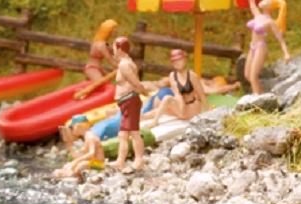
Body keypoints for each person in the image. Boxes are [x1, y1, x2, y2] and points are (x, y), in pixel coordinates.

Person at [146, 49, 208, 127]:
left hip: (192, 108)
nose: (177, 63)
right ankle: (152, 121)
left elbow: (202, 95)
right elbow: (177, 94)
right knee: (166, 100)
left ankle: (148, 118)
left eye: (179, 60)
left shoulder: (191, 75)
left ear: (184, 61)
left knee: (166, 106)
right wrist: (181, 108)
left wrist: (208, 112)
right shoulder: (173, 76)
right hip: (182, 107)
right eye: (175, 62)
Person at [112, 37, 146, 175]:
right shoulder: (124, 63)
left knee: (133, 132)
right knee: (123, 133)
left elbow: (135, 82)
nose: (113, 50)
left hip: (130, 101)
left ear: (119, 49)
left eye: (114, 47)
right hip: (126, 102)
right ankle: (121, 160)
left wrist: (143, 91)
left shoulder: (124, 65)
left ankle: (139, 160)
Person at [244, 0, 290, 95]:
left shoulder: (270, 22)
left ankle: (256, 101)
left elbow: (280, 39)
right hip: (252, 46)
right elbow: (251, 3)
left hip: (260, 48)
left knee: (253, 77)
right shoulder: (258, 15)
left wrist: (286, 53)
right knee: (247, 75)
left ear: (270, 6)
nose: (262, 1)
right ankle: (261, 94)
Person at [55, 115, 104, 180]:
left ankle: (70, 175)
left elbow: (91, 154)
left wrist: (76, 161)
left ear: (78, 126)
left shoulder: (90, 136)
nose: (72, 131)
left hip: (99, 165)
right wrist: (68, 143)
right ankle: (67, 174)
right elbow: (77, 156)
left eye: (72, 128)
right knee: (67, 166)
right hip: (92, 163)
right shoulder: (86, 137)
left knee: (81, 166)